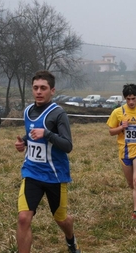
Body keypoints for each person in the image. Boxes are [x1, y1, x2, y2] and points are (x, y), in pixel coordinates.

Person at [14, 70, 80, 253]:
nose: (39, 92)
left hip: (55, 176)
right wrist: (24, 143)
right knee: (23, 218)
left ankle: (70, 239)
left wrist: (48, 134)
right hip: (31, 172)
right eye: (35, 88)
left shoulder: (58, 114)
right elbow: (32, 136)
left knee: (61, 219)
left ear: (52, 90)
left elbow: (67, 145)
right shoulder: (28, 111)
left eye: (43, 88)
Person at [106, 84, 136, 220]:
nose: (131, 102)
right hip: (125, 152)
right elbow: (110, 131)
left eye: (133, 98)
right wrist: (121, 127)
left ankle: (135, 213)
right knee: (132, 184)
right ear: (125, 99)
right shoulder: (118, 112)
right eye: (128, 99)